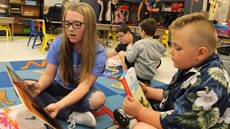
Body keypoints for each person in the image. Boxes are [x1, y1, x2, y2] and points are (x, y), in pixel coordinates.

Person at [113, 11, 230, 129]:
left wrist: (140, 112)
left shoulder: (210, 84)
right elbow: (174, 94)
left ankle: (133, 123)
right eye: (172, 46)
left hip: (183, 123)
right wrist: (148, 91)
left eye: (178, 48)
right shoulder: (191, 66)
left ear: (200, 53)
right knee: (139, 103)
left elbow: (177, 122)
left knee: (141, 126)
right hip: (179, 114)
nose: (171, 51)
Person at [25, 3, 107, 128]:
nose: (70, 29)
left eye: (77, 24)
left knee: (98, 100)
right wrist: (40, 86)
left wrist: (58, 105)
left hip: (80, 91)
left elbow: (84, 86)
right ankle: (69, 114)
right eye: (67, 23)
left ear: (89, 26)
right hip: (59, 85)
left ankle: (53, 103)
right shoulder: (59, 42)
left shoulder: (99, 52)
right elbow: (48, 74)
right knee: (25, 87)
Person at [118, 18, 166, 85]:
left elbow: (130, 58)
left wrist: (129, 49)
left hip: (139, 75)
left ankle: (126, 77)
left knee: (122, 54)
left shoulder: (139, 43)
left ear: (143, 32)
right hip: (150, 76)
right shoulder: (158, 45)